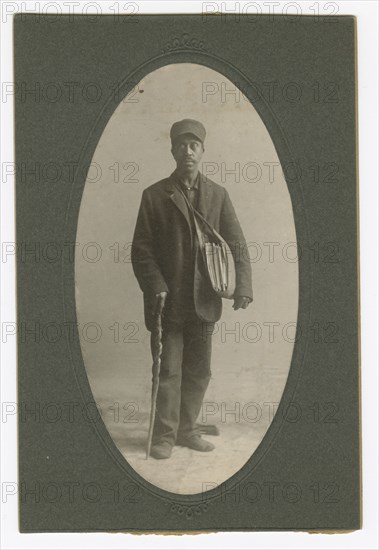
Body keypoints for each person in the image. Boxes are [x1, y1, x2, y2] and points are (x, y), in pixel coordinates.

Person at [131, 119, 253, 459]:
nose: (188, 151)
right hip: (168, 302)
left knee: (199, 371)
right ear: (172, 150)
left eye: (194, 145)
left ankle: (187, 430)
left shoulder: (218, 195)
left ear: (202, 151)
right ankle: (164, 436)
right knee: (168, 370)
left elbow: (237, 243)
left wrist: (242, 285)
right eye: (182, 145)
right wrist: (155, 286)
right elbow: (141, 250)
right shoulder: (154, 196)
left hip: (204, 301)